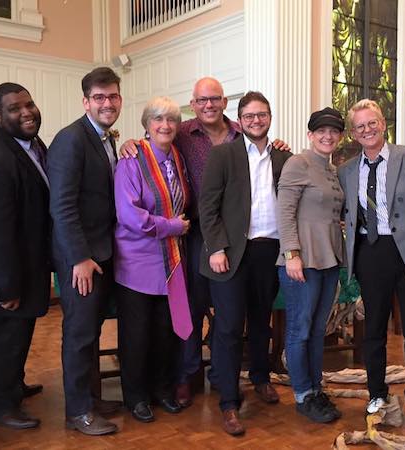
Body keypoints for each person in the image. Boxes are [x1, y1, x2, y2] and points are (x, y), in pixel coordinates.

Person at [120, 78, 289, 407]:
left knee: (248, 312)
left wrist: (278, 144)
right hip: (196, 231)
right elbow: (154, 143)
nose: (208, 105)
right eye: (201, 100)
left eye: (214, 99)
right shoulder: (181, 132)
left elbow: (264, 146)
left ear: (225, 101)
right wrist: (132, 142)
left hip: (244, 236)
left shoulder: (244, 131)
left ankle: (250, 375)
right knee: (194, 306)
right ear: (192, 105)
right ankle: (188, 374)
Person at [337, 99, 405, 432]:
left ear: (383, 124)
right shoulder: (346, 169)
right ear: (353, 132)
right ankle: (377, 394)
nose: (367, 130)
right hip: (370, 253)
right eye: (360, 126)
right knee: (374, 331)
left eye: (373, 123)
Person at [199, 91, 292, 436]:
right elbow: (207, 208)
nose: (256, 120)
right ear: (240, 119)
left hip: (269, 252)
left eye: (262, 114)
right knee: (227, 327)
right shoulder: (223, 155)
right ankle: (228, 401)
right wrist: (217, 248)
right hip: (230, 253)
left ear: (270, 117)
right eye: (250, 116)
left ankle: (261, 379)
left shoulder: (284, 157)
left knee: (261, 321)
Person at [0, 83, 51, 429]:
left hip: (26, 266)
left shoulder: (28, 143)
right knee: (2, 339)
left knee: (18, 337)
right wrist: (6, 287)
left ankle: (12, 387)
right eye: (15, 108)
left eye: (29, 104)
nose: (26, 112)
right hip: (4, 275)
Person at [47, 67, 121, 436]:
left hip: (101, 253)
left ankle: (92, 398)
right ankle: (78, 412)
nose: (107, 103)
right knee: (79, 334)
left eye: (112, 96)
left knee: (90, 331)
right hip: (80, 258)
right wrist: (78, 258)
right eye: (99, 97)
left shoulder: (106, 139)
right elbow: (61, 205)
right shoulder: (71, 139)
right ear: (86, 101)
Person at [114, 96, 193, 423]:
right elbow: (129, 215)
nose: (165, 125)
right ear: (146, 125)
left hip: (171, 262)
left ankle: (162, 390)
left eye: (171, 120)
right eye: (158, 119)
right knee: (137, 334)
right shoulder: (131, 160)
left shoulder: (177, 156)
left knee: (165, 331)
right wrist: (171, 226)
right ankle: (136, 397)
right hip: (137, 262)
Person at [276, 108, 345, 423]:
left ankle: (316, 389)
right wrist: (291, 254)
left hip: (329, 260)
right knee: (300, 329)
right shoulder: (298, 163)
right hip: (301, 261)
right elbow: (284, 212)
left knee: (319, 330)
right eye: (321, 131)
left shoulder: (332, 169)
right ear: (310, 134)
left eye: (333, 131)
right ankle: (303, 394)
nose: (327, 136)